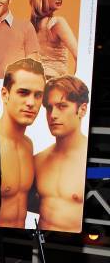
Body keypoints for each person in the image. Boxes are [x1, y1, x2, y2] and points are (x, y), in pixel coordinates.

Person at [35, 75, 89, 232]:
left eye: (62, 106)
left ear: (82, 110)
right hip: (41, 250)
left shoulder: (93, 164)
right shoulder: (38, 161)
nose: (53, 115)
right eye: (49, 108)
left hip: (77, 252)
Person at [0, 58, 45, 228]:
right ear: (5, 94)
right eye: (23, 92)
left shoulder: (27, 145)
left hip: (19, 244)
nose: (31, 103)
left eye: (38, 95)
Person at [30, 0, 78, 78]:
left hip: (37, 83)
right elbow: (79, 56)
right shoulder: (57, 23)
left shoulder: (31, 25)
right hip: (55, 85)